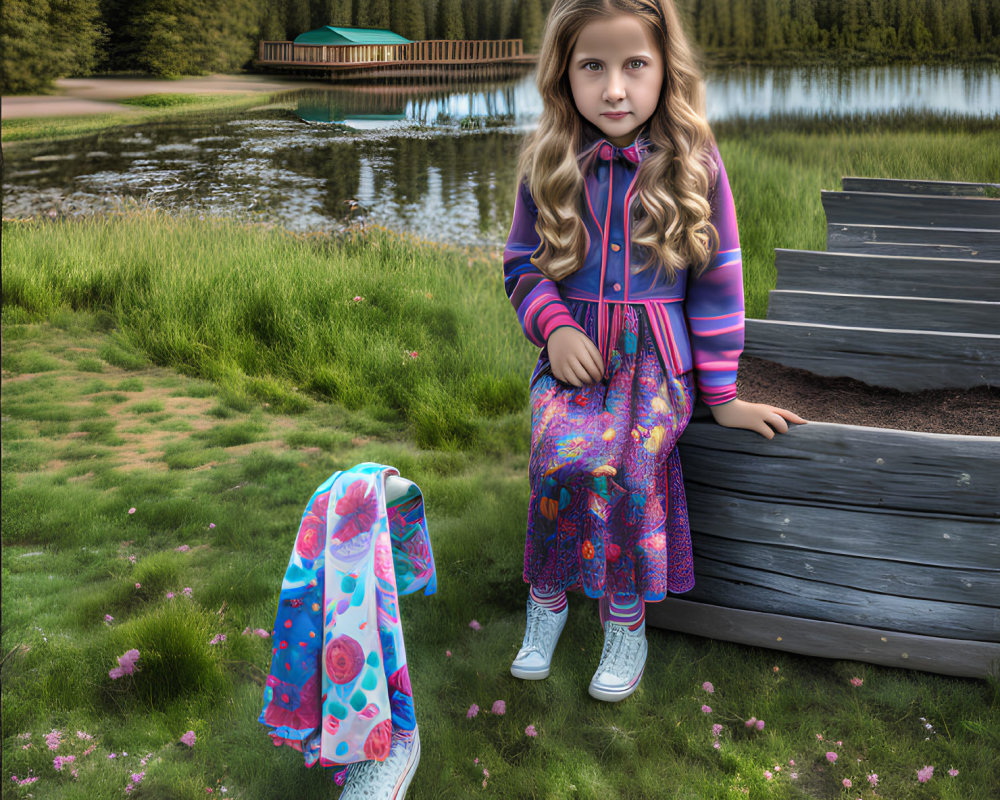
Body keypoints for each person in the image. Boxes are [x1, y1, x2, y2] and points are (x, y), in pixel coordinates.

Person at [503, 0, 805, 702]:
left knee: (628, 470)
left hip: (653, 366)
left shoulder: (694, 162)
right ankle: (546, 601)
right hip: (576, 356)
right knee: (556, 455)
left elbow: (719, 281)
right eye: (593, 68)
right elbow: (521, 264)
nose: (614, 88)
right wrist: (554, 326)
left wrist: (722, 397)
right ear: (564, 76)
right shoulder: (551, 158)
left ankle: (625, 620)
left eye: (634, 65)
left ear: (665, 68)